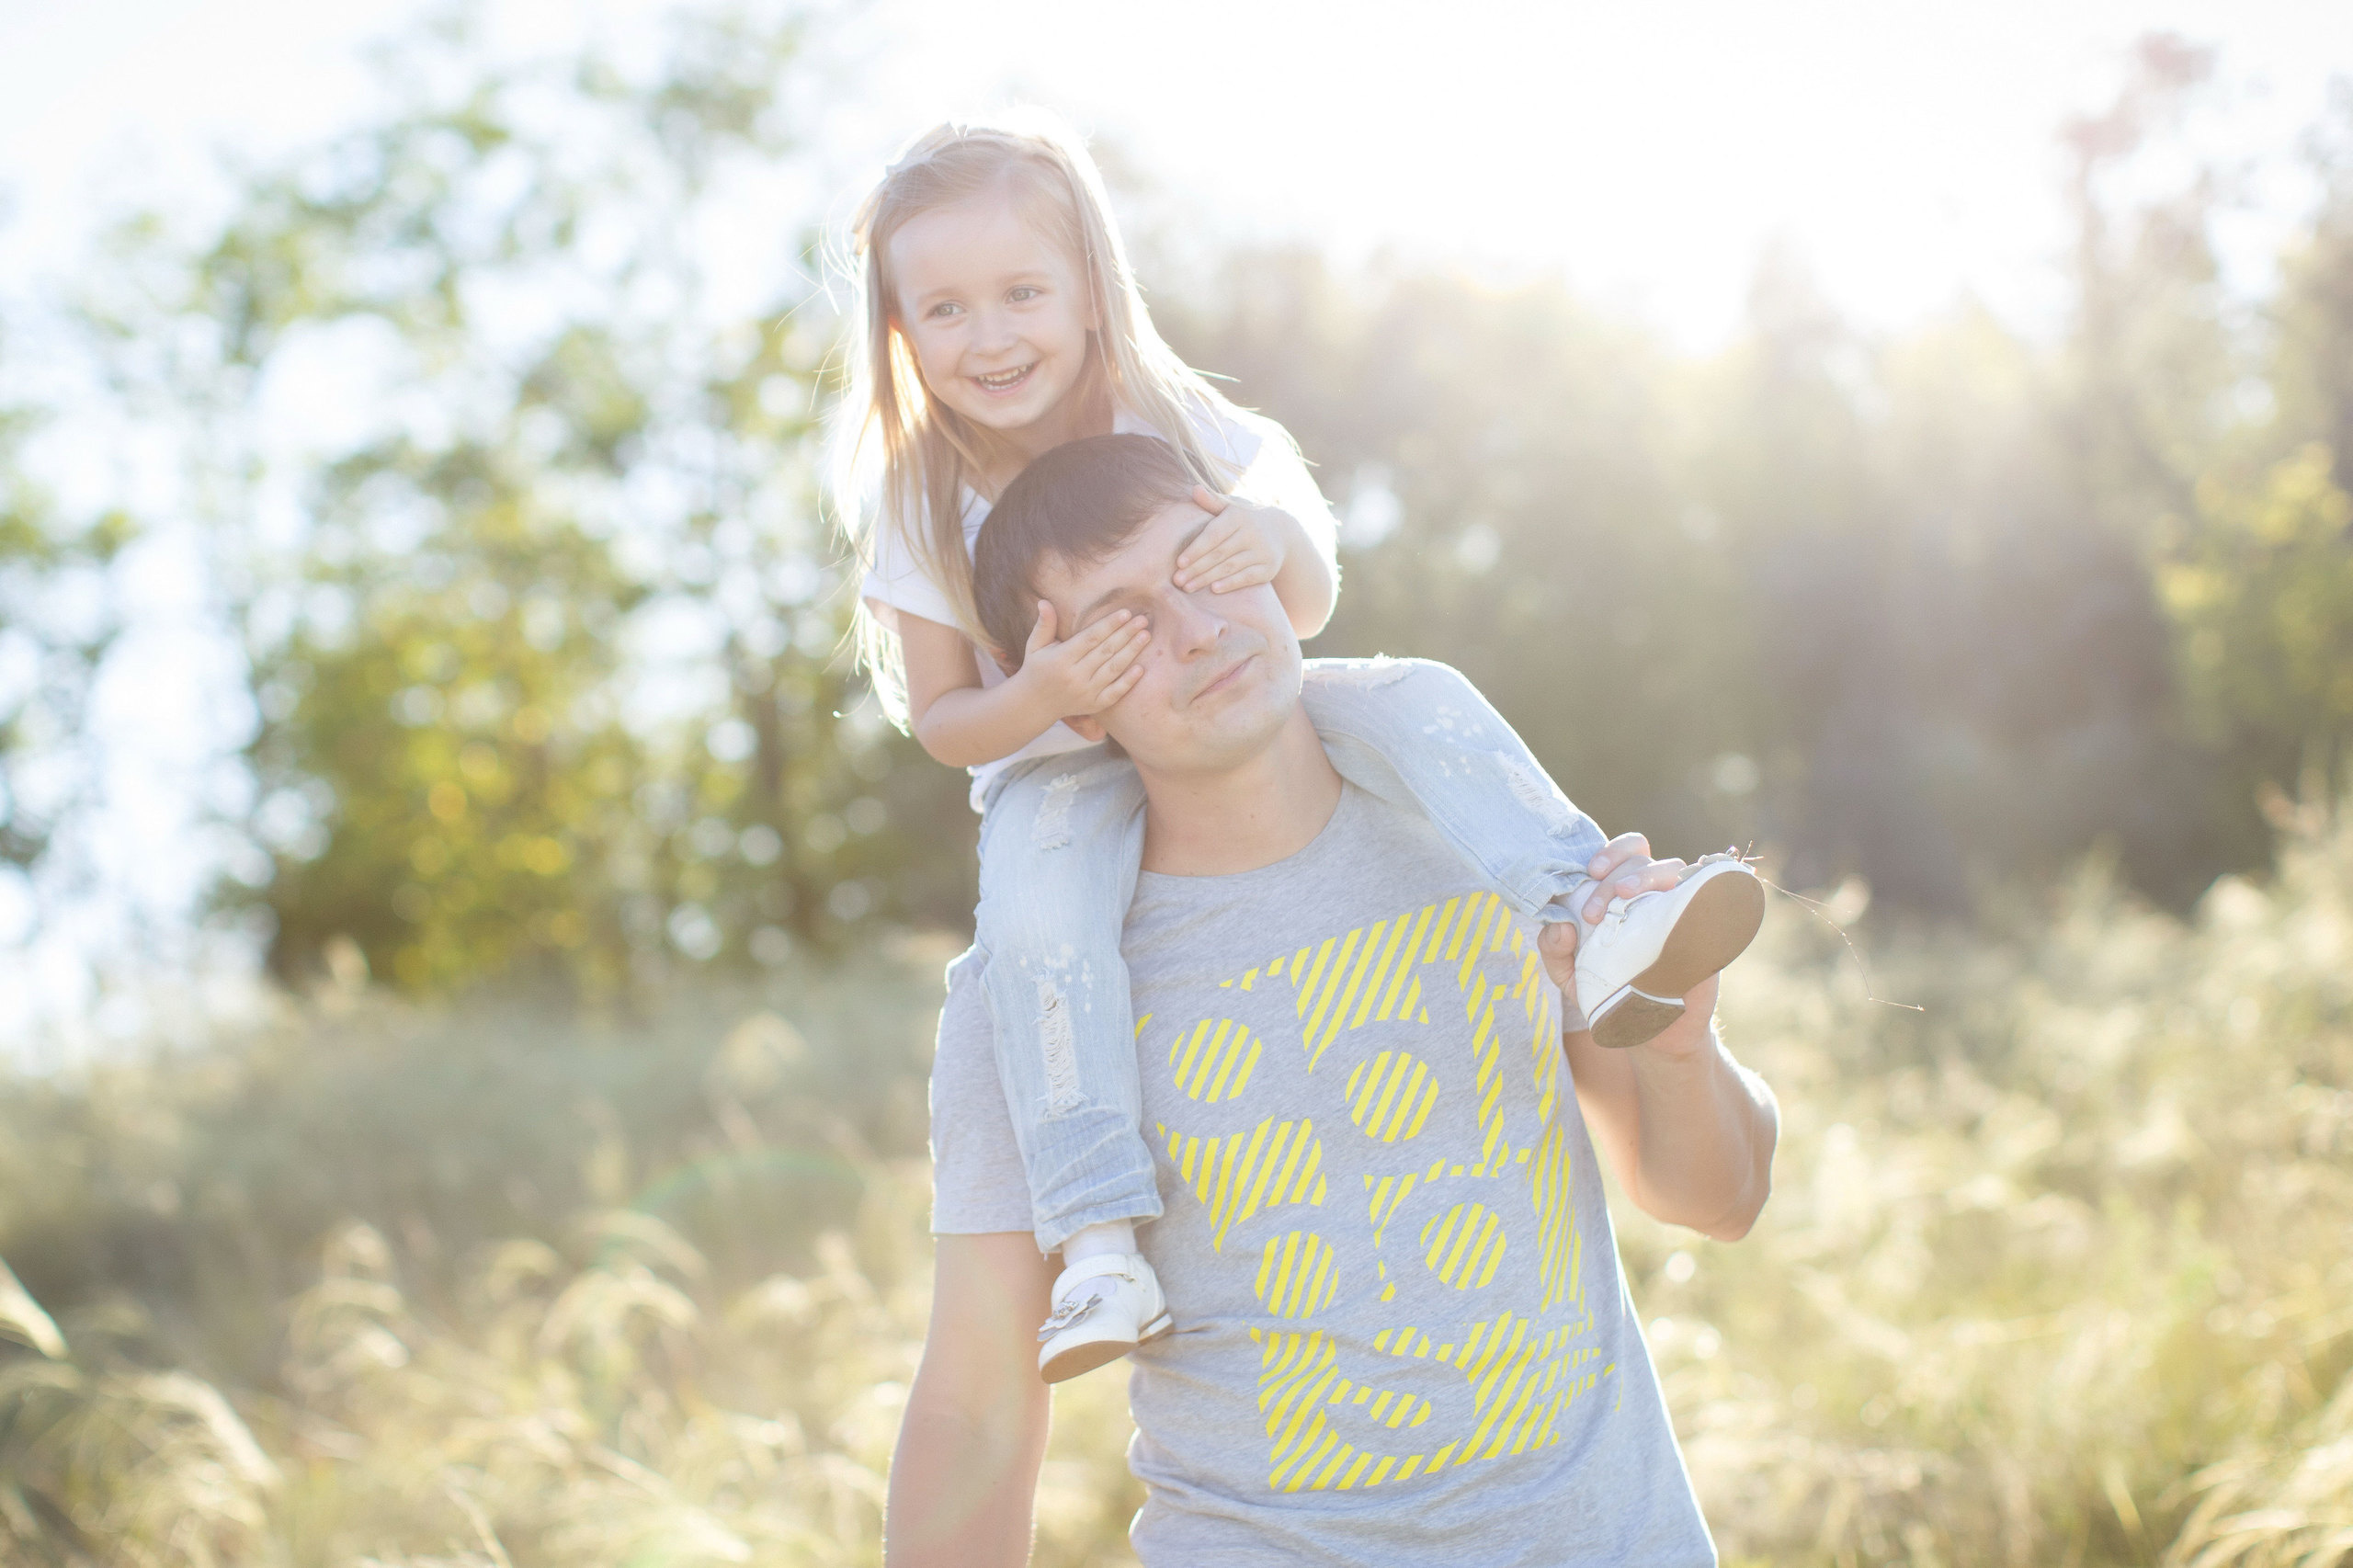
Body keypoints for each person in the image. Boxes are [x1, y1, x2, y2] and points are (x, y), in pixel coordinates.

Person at [835, 112, 1762, 1383]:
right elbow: (946, 721)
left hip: (1236, 696)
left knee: (1422, 696)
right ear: (898, 329)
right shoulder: (917, 489)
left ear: (1091, 293)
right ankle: (1100, 1234)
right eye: (942, 310)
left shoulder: (1174, 417)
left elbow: (1311, 600)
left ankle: (1589, 907)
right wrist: (1043, 688)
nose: (988, 336)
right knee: (1040, 936)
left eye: (1021, 293)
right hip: (1056, 769)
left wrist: (1266, 547)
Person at [885, 433, 1779, 1565]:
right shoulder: (1033, 994)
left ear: (1262, 555)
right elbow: (975, 1406)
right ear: (1067, 701)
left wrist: (1681, 1048)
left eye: (1203, 568)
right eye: (1122, 626)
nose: (1196, 630)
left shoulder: (1482, 839)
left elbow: (1720, 1200)